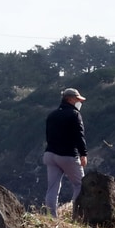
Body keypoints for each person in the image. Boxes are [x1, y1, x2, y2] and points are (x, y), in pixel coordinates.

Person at [43, 87, 88, 216]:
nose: (80, 102)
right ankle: (76, 215)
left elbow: (48, 135)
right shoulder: (74, 114)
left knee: (52, 188)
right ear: (69, 99)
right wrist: (83, 153)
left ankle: (51, 217)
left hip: (50, 154)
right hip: (67, 155)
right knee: (80, 185)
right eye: (77, 99)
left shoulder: (52, 115)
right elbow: (79, 135)